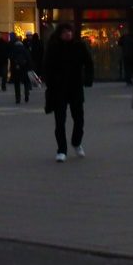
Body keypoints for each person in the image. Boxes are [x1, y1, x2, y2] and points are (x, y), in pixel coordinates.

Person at [42, 22, 94, 161]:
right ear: (60, 34)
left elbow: (88, 62)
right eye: (65, 32)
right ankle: (61, 150)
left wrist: (88, 79)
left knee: (79, 119)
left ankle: (76, 142)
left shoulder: (79, 46)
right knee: (60, 121)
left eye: (70, 31)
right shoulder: (53, 47)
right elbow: (47, 66)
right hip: (58, 89)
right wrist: (49, 82)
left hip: (75, 87)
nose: (68, 34)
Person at [9, 33, 34, 104]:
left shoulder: (14, 50)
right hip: (25, 69)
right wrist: (30, 68)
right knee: (26, 82)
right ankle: (26, 93)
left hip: (17, 69)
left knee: (17, 84)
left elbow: (11, 60)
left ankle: (18, 98)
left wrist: (12, 69)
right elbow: (29, 60)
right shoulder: (25, 50)